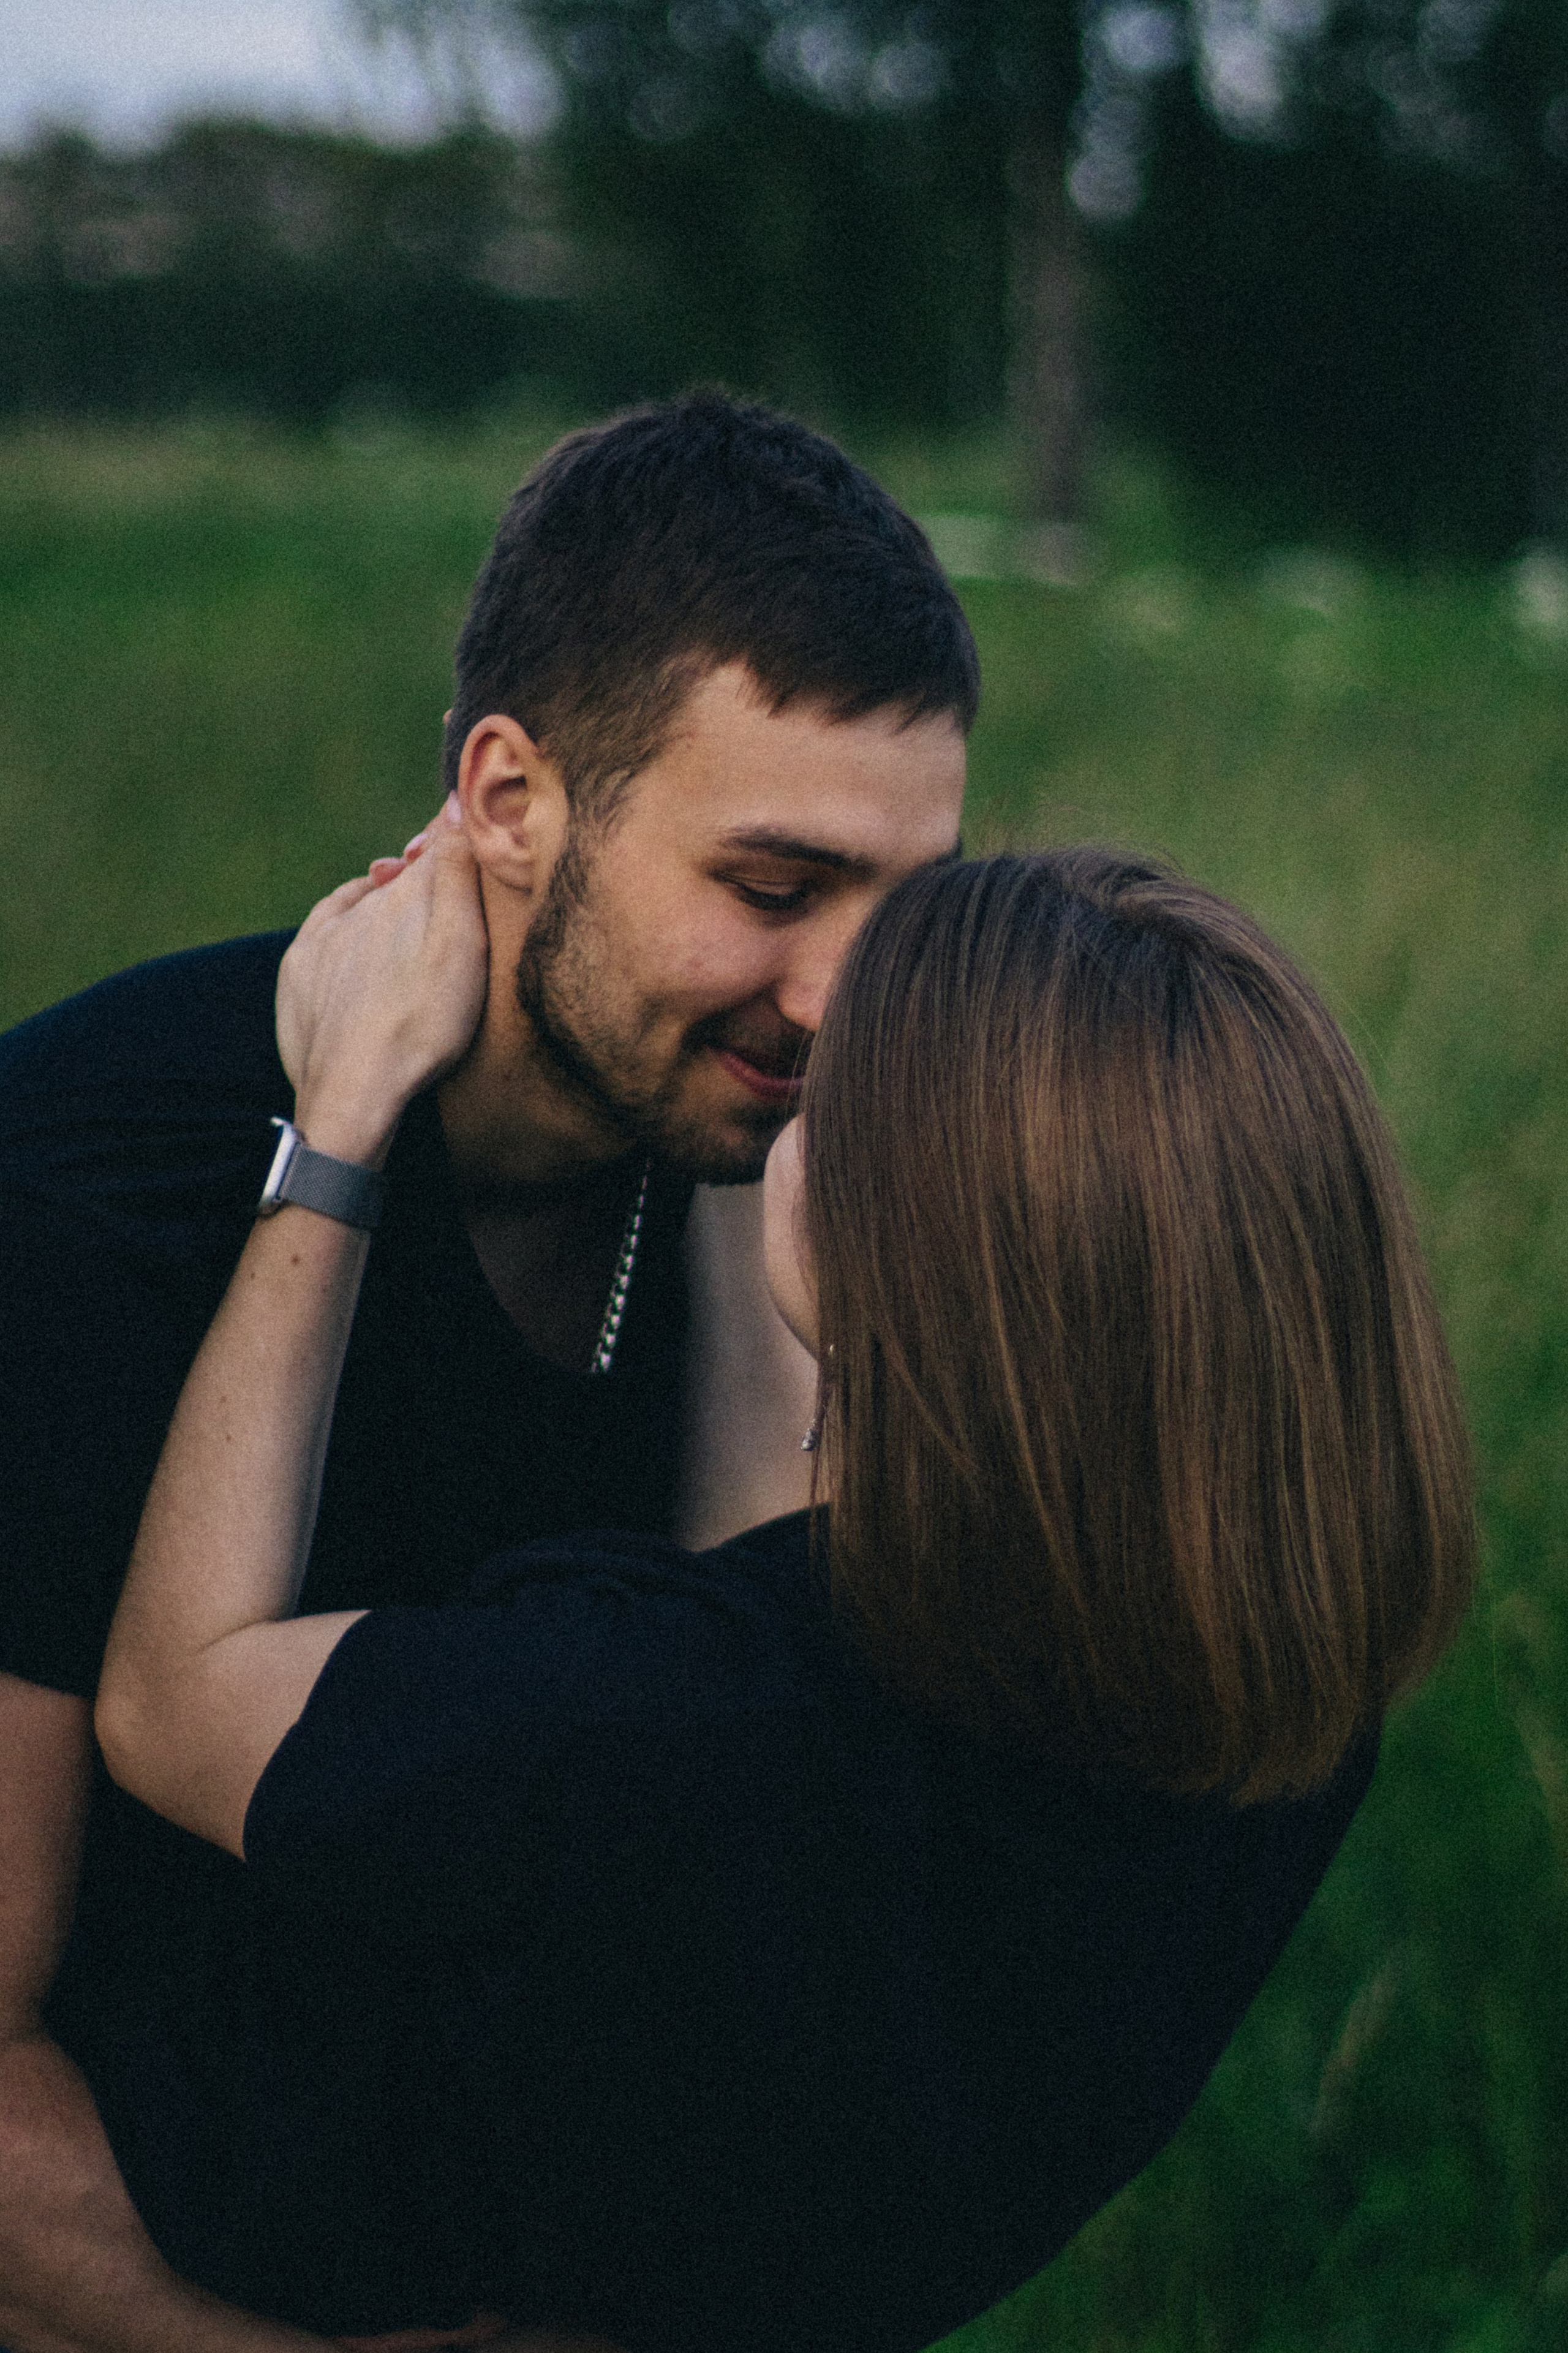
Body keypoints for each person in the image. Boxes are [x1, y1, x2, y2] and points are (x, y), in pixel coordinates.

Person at [91, 829, 1477, 2353]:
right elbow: (789, 1562)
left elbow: (178, 1697)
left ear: (920, 1239)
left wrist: (339, 1122)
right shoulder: (1287, 1721)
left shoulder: (647, 1719)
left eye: (837, 1090)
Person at [0, 393, 974, 2353]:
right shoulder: (94, 1202)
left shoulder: (758, 1162)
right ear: (512, 803)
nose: (851, 1001)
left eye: (911, 908)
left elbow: (758, 1759)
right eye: (776, 891)